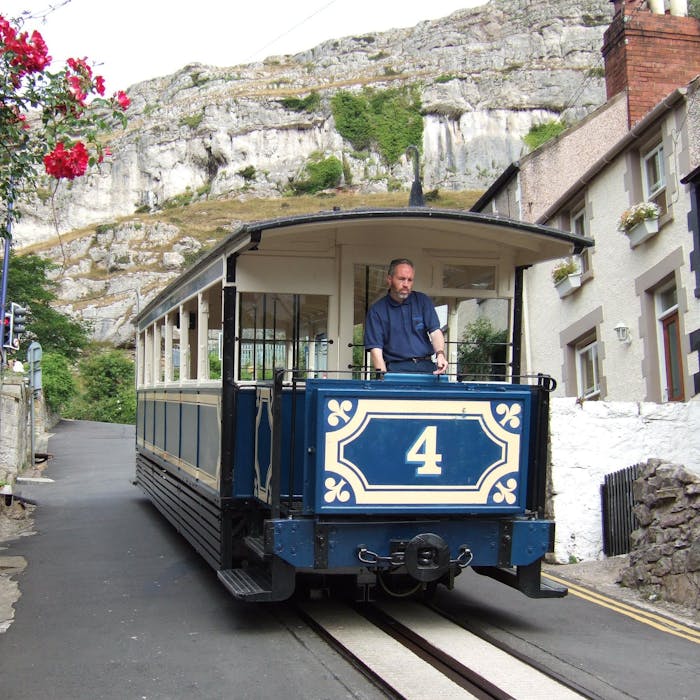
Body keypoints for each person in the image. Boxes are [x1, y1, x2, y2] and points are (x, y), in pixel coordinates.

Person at [364, 258, 448, 374]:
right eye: (402, 279)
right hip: (396, 369)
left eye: (410, 280)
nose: (406, 284)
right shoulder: (377, 311)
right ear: (389, 279)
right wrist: (382, 379)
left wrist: (440, 354)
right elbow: (376, 350)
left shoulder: (423, 301)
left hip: (427, 367)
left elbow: (435, 331)